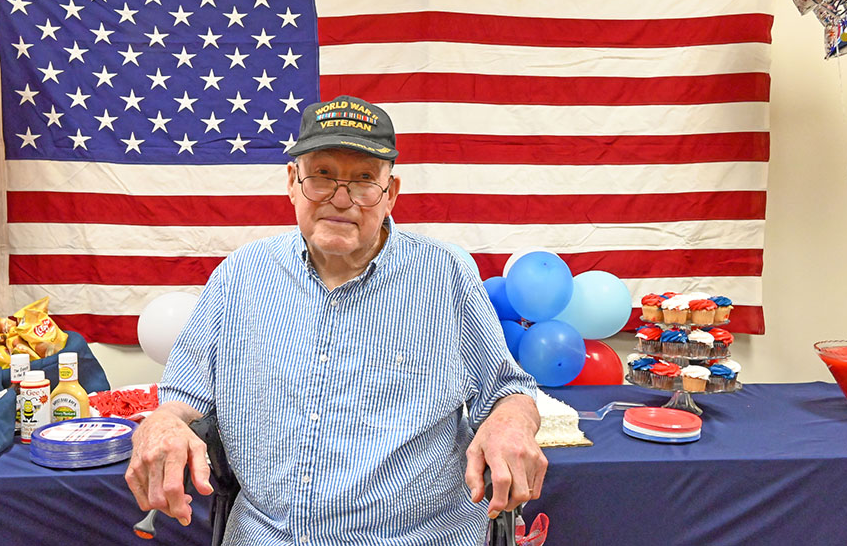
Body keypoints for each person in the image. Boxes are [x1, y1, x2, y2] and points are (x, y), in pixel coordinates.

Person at [126, 95, 547, 545]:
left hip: (414, 536)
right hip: (265, 535)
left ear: (391, 195)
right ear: (292, 182)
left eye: (364, 180)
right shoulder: (239, 276)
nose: (341, 199)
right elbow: (182, 397)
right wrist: (163, 422)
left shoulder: (446, 275)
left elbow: (508, 391)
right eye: (322, 176)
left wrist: (511, 422)